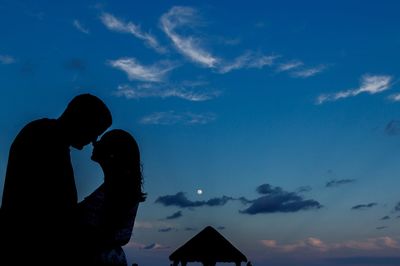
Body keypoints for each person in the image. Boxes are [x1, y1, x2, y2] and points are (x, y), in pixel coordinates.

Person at [0, 93, 112, 265]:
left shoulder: (46, 136)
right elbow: (55, 209)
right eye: (95, 132)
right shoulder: (46, 140)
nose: (93, 141)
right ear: (83, 121)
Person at [77, 129, 146, 265]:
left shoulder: (119, 189)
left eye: (102, 141)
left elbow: (103, 231)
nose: (94, 143)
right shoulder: (115, 186)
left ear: (113, 154)